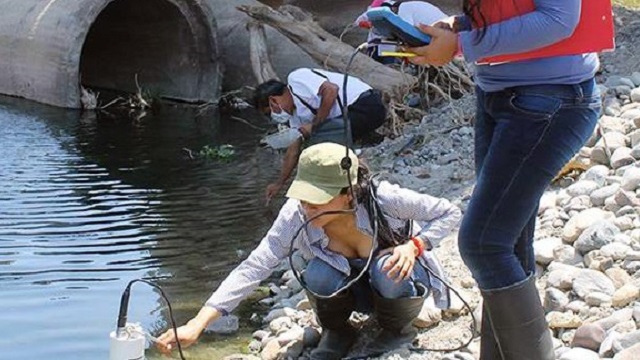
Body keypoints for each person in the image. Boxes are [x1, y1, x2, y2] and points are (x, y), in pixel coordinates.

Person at [406, 1, 602, 359]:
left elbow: (557, 20)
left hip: (551, 100)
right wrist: (458, 25)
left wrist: (463, 44)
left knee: (484, 244)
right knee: (506, 243)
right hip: (500, 96)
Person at [156, 142, 461, 360]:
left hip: (395, 285)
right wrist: (198, 323)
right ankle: (337, 331)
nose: (306, 207)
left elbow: (450, 212)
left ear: (348, 193)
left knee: (387, 266)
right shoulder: (296, 214)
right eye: (303, 198)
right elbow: (254, 267)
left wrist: (414, 246)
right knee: (317, 274)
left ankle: (397, 329)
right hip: (349, 289)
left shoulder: (384, 199)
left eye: (316, 200)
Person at [254, 68, 387, 203]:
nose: (273, 116)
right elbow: (292, 152)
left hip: (366, 105)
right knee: (313, 145)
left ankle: (337, 190)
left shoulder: (296, 79)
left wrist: (314, 125)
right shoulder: (295, 118)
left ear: (273, 101)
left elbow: (331, 90)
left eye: (269, 112)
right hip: (349, 122)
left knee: (318, 141)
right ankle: (348, 180)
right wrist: (279, 183)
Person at [355, 0, 448, 63]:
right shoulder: (419, 5)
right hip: (377, 45)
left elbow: (407, 31)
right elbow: (359, 21)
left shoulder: (403, 8)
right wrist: (370, 24)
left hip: (390, 47)